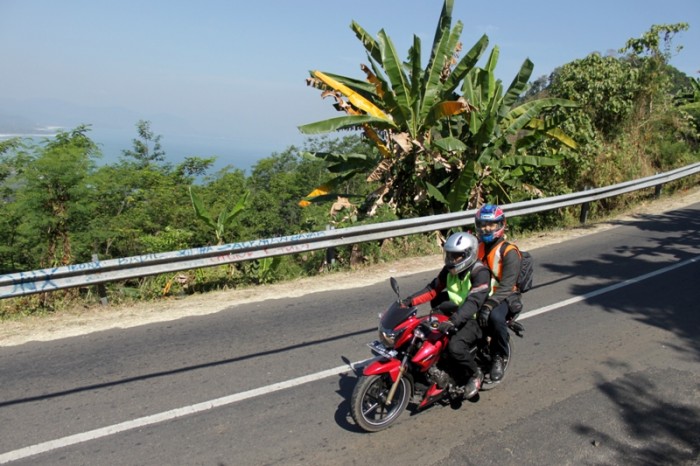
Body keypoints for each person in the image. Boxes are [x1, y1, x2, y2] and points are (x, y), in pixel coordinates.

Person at [401, 231, 491, 399]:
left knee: (454, 347)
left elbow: (473, 303)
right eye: (449, 255)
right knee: (422, 335)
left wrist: (453, 321)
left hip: (473, 318)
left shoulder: (480, 273)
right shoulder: (449, 270)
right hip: (453, 311)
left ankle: (475, 374)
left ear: (468, 255)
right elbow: (432, 289)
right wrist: (408, 302)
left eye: (456, 256)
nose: (451, 260)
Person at [474, 204, 524, 382]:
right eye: (482, 224)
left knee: (495, 318)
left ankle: (499, 356)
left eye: (491, 224)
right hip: (479, 293)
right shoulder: (477, 247)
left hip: (504, 296)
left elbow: (507, 285)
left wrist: (489, 305)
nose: (486, 228)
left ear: (501, 225)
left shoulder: (509, 252)